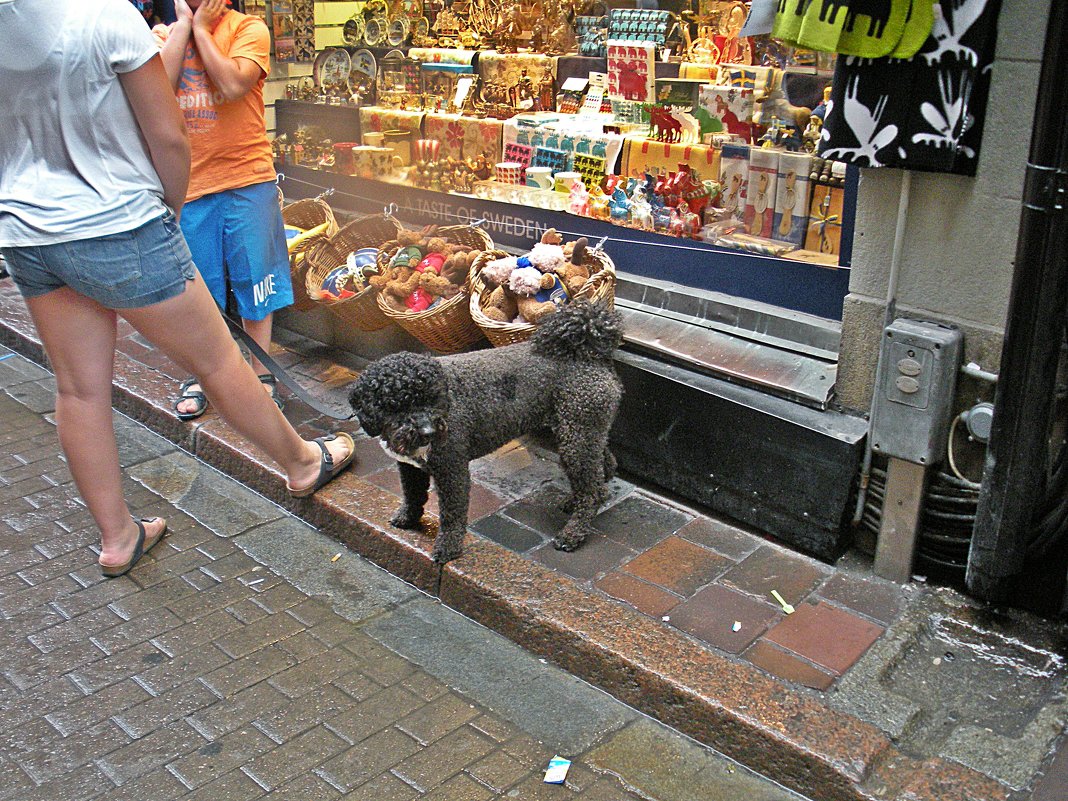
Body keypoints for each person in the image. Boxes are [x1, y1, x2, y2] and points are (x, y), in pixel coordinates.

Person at [0, 0, 355, 578]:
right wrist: (167, 212)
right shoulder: (108, 16)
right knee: (218, 357)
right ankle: (302, 462)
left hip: (28, 230)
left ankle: (117, 539)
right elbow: (169, 138)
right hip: (118, 220)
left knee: (79, 390)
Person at [154, 0, 293, 420]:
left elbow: (233, 85)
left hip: (247, 176)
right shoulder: (163, 35)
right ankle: (206, 375)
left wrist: (202, 29)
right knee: (200, 289)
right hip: (191, 183)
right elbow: (154, 91)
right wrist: (185, 28)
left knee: (257, 278)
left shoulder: (248, 29)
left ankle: (260, 372)